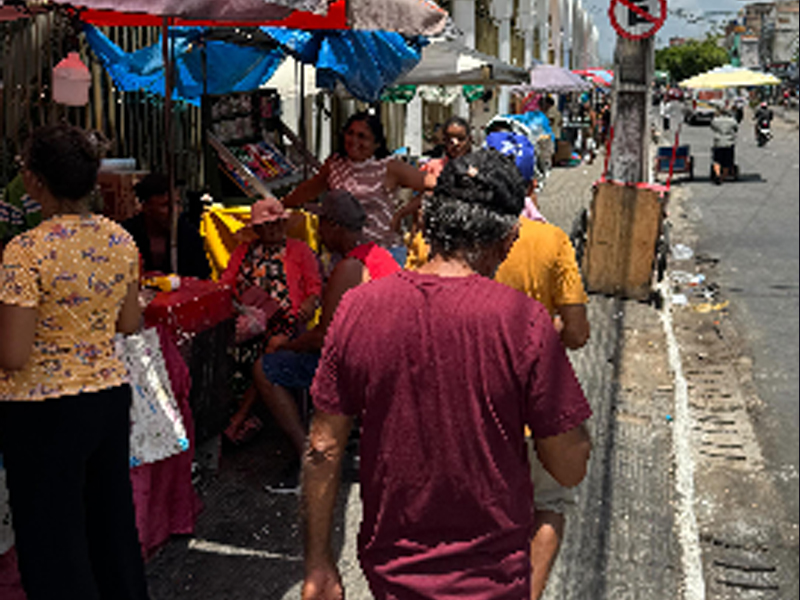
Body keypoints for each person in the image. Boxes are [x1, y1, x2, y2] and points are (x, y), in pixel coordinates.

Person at [301, 149, 593, 600]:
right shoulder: (526, 322)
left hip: (390, 572)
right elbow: (570, 466)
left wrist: (320, 564)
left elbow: (322, 447)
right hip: (493, 578)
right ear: (509, 238)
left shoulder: (360, 307)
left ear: (429, 223)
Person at [0, 124, 149, 599]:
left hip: (42, 408)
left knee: (53, 543)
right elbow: (129, 323)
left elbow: (13, 354)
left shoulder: (25, 252)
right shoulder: (119, 241)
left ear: (35, 181)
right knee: (111, 530)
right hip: (106, 398)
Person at [489, 132, 590, 600]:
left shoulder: (445, 238)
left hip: (469, 404)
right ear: (531, 185)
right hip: (534, 406)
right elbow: (578, 333)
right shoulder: (551, 241)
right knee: (547, 504)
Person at [254, 189, 400, 492]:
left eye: (321, 223)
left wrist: (287, 345)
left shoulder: (349, 267)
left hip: (366, 369)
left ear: (334, 226)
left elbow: (324, 338)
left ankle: (309, 459)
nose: (318, 230)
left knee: (266, 368)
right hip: (386, 361)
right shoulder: (379, 254)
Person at [219, 196, 322, 445]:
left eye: (279, 223)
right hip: (248, 319)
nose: (275, 228)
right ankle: (235, 416)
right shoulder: (244, 251)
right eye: (269, 224)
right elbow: (226, 282)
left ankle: (240, 417)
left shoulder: (300, 250)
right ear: (257, 229)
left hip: (286, 321)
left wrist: (309, 303)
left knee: (271, 348)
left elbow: (315, 288)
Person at [281, 111, 437, 266]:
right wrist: (280, 205)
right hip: (343, 254)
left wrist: (401, 213)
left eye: (362, 136)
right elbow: (309, 189)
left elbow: (437, 186)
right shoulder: (335, 164)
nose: (354, 140)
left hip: (382, 252)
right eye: (350, 133)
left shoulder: (389, 167)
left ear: (377, 143)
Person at [121, 173, 211, 278]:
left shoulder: (188, 234)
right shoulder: (125, 235)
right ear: (145, 207)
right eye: (166, 205)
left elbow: (202, 277)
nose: (175, 211)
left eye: (178, 203)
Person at [710, 107, 738, 185]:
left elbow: (712, 127)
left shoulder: (716, 120)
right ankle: (722, 178)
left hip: (718, 143)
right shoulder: (732, 121)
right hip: (729, 143)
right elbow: (736, 128)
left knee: (716, 161)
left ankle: (717, 175)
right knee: (727, 163)